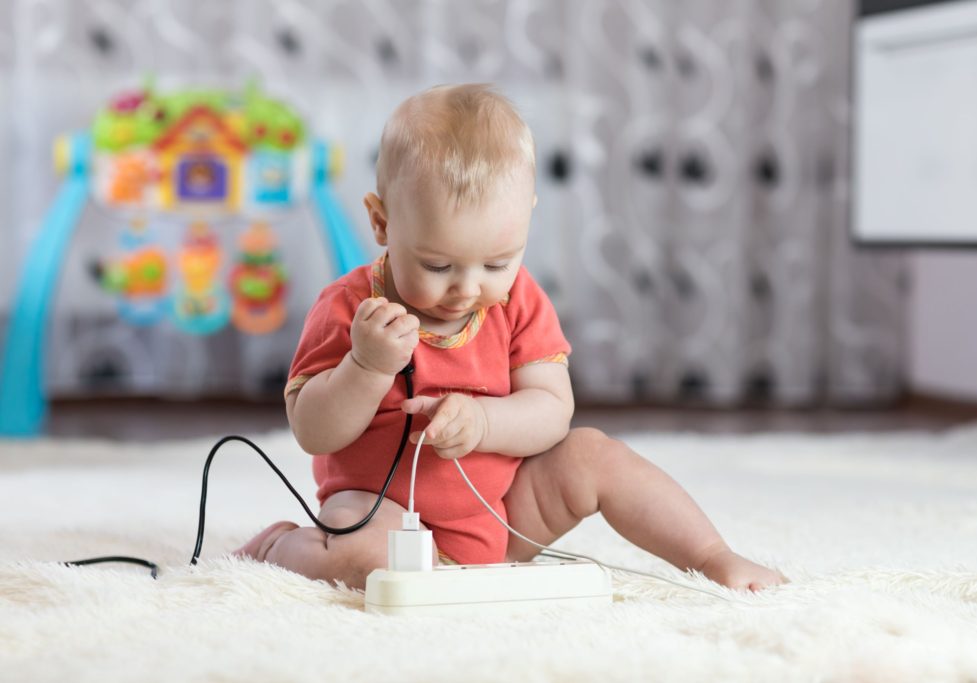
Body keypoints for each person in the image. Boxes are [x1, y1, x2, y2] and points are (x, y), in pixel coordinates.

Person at [234, 84, 786, 592]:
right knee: (364, 561)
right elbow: (313, 431)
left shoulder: (518, 299)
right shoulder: (353, 308)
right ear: (382, 224)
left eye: (497, 262)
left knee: (594, 453)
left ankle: (713, 557)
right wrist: (367, 365)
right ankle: (282, 546)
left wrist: (484, 423)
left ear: (527, 221)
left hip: (498, 514)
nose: (468, 289)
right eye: (438, 264)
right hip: (381, 512)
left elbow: (552, 410)